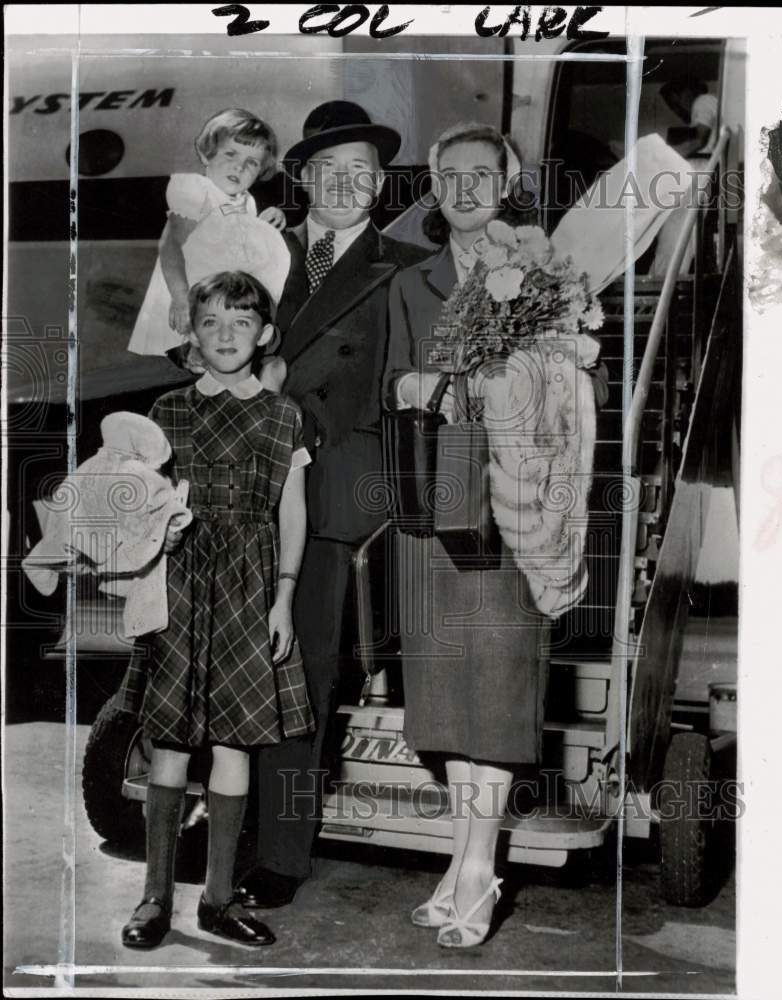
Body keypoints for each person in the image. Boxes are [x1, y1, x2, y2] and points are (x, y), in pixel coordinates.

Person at [383, 121, 608, 949]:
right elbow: (390, 383)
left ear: (507, 182)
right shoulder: (412, 282)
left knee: (501, 689)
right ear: (434, 190)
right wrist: (427, 384)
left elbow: (593, 376)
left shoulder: (552, 272)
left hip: (521, 506)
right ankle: (463, 855)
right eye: (452, 176)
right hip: (436, 506)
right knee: (443, 698)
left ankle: (478, 869)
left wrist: (537, 376)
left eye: (483, 174)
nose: (466, 188)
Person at [232, 101, 429, 910]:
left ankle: (279, 851)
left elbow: (400, 388)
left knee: (298, 675)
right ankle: (223, 831)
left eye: (362, 172)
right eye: (329, 171)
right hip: (235, 483)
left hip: (327, 490)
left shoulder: (407, 264)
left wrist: (295, 416)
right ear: (302, 178)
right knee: (228, 663)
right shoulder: (257, 251)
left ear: (380, 184)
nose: (346, 185)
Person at [120, 271, 314, 949]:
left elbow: (292, 510)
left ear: (263, 334)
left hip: (250, 587)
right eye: (211, 323)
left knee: (235, 743)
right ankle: (153, 898)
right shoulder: (167, 411)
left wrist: (283, 598)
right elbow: (146, 500)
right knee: (170, 743)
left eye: (240, 322)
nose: (226, 335)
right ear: (192, 337)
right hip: (180, 586)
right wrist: (158, 531)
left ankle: (219, 899)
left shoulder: (285, 414)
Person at [126, 108, 290, 390]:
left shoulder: (246, 202)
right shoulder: (194, 188)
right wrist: (179, 299)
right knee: (200, 365)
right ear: (207, 154)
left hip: (219, 302)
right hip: (186, 297)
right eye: (230, 155)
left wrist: (271, 219)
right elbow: (171, 246)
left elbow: (244, 247)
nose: (239, 167)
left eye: (251, 162)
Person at [649, 80, 719, 278]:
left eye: (675, 101)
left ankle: (662, 283)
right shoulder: (709, 105)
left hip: (695, 176)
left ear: (688, 91)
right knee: (679, 238)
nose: (676, 108)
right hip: (699, 176)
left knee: (674, 235)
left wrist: (662, 155)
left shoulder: (703, 101)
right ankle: (664, 280)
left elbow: (699, 139)